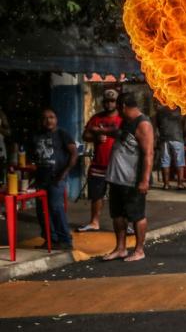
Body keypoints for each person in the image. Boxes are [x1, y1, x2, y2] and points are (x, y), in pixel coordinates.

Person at [102, 93, 154, 262]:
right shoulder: (126, 121)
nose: (116, 110)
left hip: (133, 180)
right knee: (117, 215)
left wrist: (144, 180)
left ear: (123, 105)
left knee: (137, 215)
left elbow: (148, 154)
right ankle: (121, 248)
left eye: (118, 106)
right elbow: (120, 136)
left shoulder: (143, 124)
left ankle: (139, 250)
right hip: (116, 177)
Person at [31, 108, 78, 250]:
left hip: (57, 177)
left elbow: (74, 153)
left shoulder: (62, 133)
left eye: (51, 117)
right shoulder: (36, 135)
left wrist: (64, 173)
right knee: (41, 210)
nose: (48, 120)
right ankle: (50, 239)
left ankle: (65, 240)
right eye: (45, 118)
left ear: (56, 119)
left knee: (56, 208)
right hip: (41, 178)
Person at [78, 89, 122, 232]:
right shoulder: (96, 118)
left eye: (112, 101)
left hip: (118, 165)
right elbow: (85, 136)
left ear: (117, 102)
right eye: (107, 101)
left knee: (119, 196)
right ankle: (94, 222)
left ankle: (123, 225)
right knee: (97, 195)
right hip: (98, 164)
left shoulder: (123, 119)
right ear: (103, 102)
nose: (109, 104)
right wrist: (95, 138)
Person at [155, 103, 185, 190]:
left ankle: (166, 184)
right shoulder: (179, 109)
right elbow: (183, 123)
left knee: (165, 162)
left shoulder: (160, 111)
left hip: (164, 138)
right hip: (177, 138)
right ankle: (180, 184)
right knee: (179, 162)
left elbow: (156, 126)